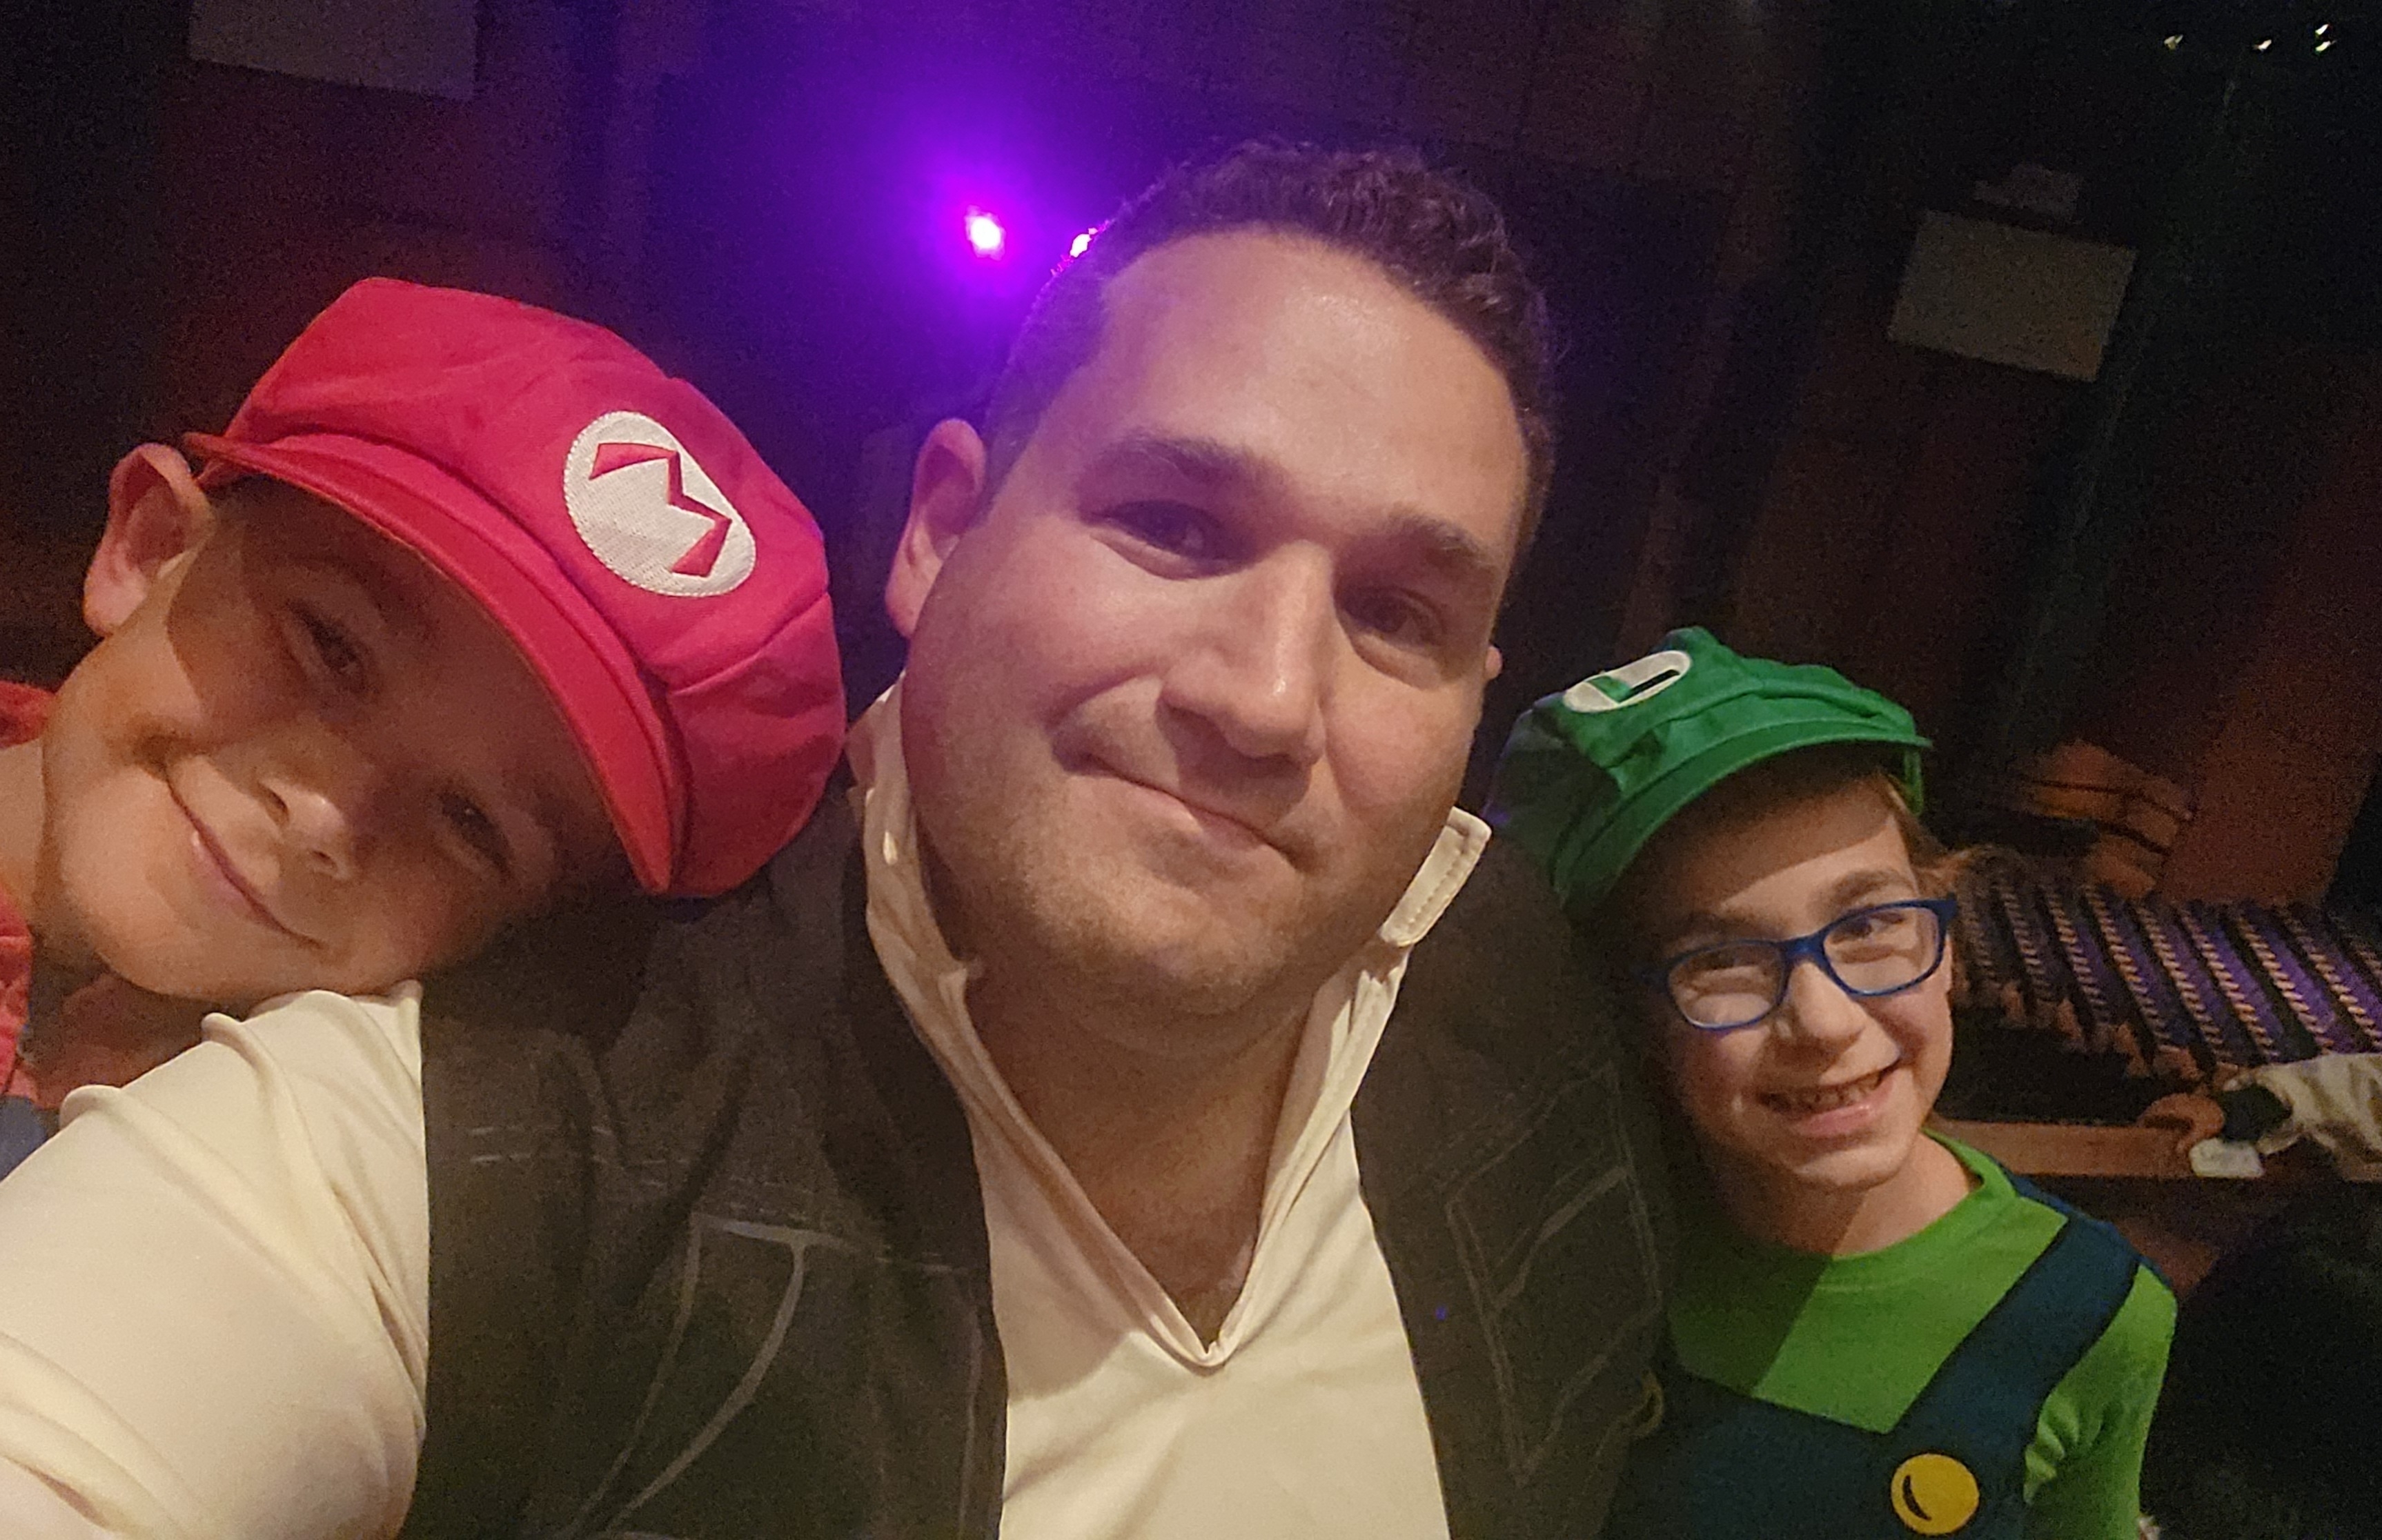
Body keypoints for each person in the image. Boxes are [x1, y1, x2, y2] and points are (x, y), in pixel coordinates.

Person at [0, 143, 1671, 1539]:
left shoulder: (1536, 988)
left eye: (1398, 614)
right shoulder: (469, 1140)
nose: (1269, 696)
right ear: (941, 530)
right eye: (1171, 524)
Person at [0, 278, 845, 1180]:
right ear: (153, 545)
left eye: (473, 824)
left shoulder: (342, 1185)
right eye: (330, 645)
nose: (325, 816)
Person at [1490, 628, 2175, 1539]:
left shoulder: (2090, 1313)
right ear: (1627, 1016)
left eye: (1868, 925)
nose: (1824, 1021)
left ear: (1947, 943)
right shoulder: (1572, 1255)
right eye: (1721, 960)